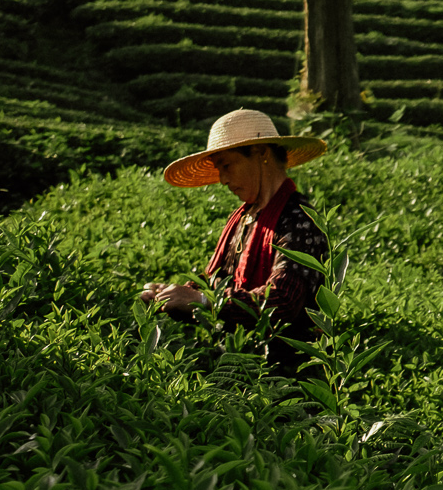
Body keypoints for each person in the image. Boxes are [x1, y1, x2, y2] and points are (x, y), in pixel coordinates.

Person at [139, 108, 329, 375]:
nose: (222, 180)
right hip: (239, 368)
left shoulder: (299, 221)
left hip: (287, 379)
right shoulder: (245, 217)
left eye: (227, 166)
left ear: (261, 154)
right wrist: (174, 296)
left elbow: (283, 302)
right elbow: (219, 282)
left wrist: (202, 300)